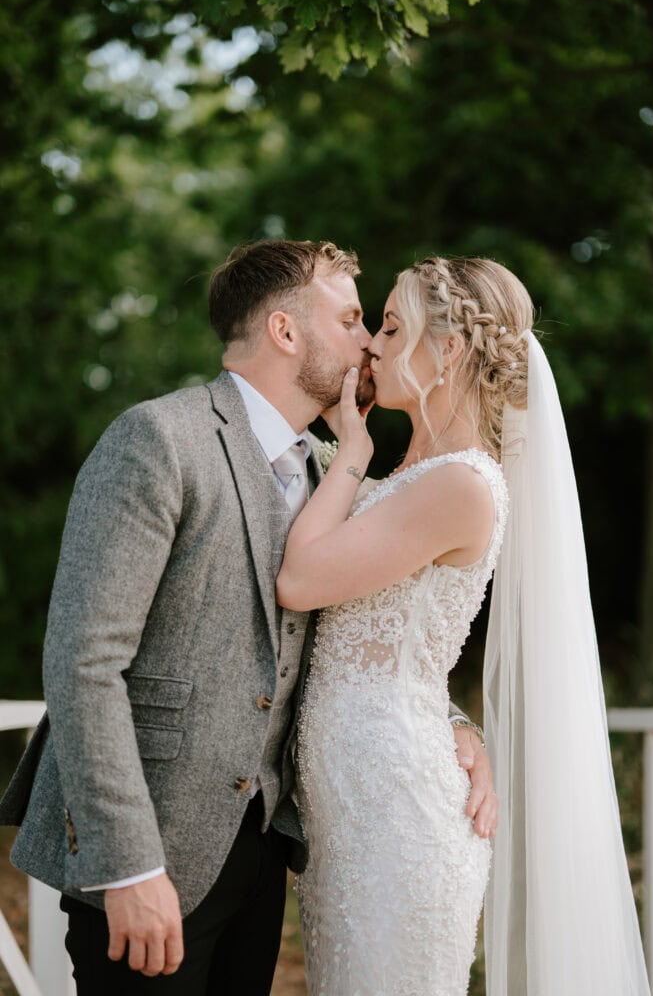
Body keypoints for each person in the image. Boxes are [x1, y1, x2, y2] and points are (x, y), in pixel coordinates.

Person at [0, 240, 493, 995]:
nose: (368, 342)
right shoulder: (158, 439)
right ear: (285, 333)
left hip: (263, 852)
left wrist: (452, 724)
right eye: (352, 318)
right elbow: (84, 661)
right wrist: (127, 863)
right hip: (151, 852)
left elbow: (362, 638)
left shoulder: (334, 470)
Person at [276, 255, 651, 996]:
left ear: (446, 350)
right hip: (353, 804)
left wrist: (350, 451)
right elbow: (388, 644)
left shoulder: (461, 484)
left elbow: (299, 582)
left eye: (388, 326)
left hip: (395, 810)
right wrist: (458, 721)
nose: (371, 347)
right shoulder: (411, 479)